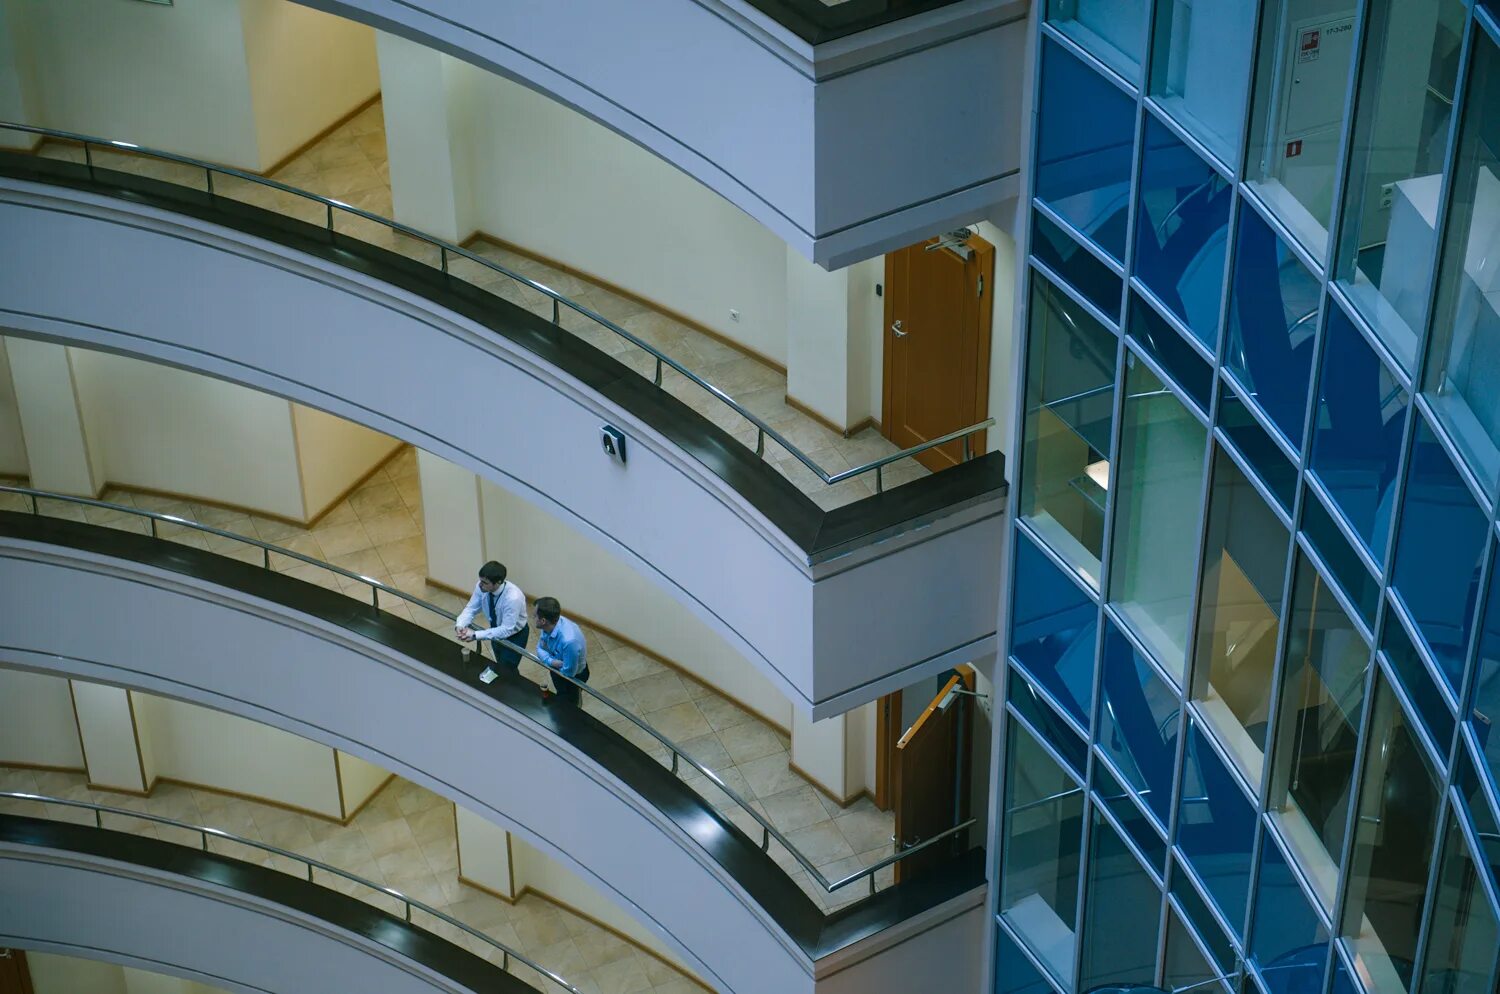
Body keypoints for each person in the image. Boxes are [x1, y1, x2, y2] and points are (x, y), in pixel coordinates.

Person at [456, 561, 529, 674]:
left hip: (515, 635)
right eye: (480, 580)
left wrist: (475, 635)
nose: (480, 585)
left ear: (498, 582)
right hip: (494, 630)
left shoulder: (513, 598)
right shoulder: (482, 587)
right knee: (499, 663)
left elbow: (506, 629)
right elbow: (471, 608)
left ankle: (510, 686)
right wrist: (460, 624)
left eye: (484, 582)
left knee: (508, 668)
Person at [533, 596, 588, 705]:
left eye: (535, 616)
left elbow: (568, 672)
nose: (532, 617)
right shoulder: (550, 624)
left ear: (543, 621)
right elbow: (540, 648)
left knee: (571, 703)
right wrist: (551, 662)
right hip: (557, 668)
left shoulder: (569, 641)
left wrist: (549, 660)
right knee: (561, 693)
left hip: (572, 678)